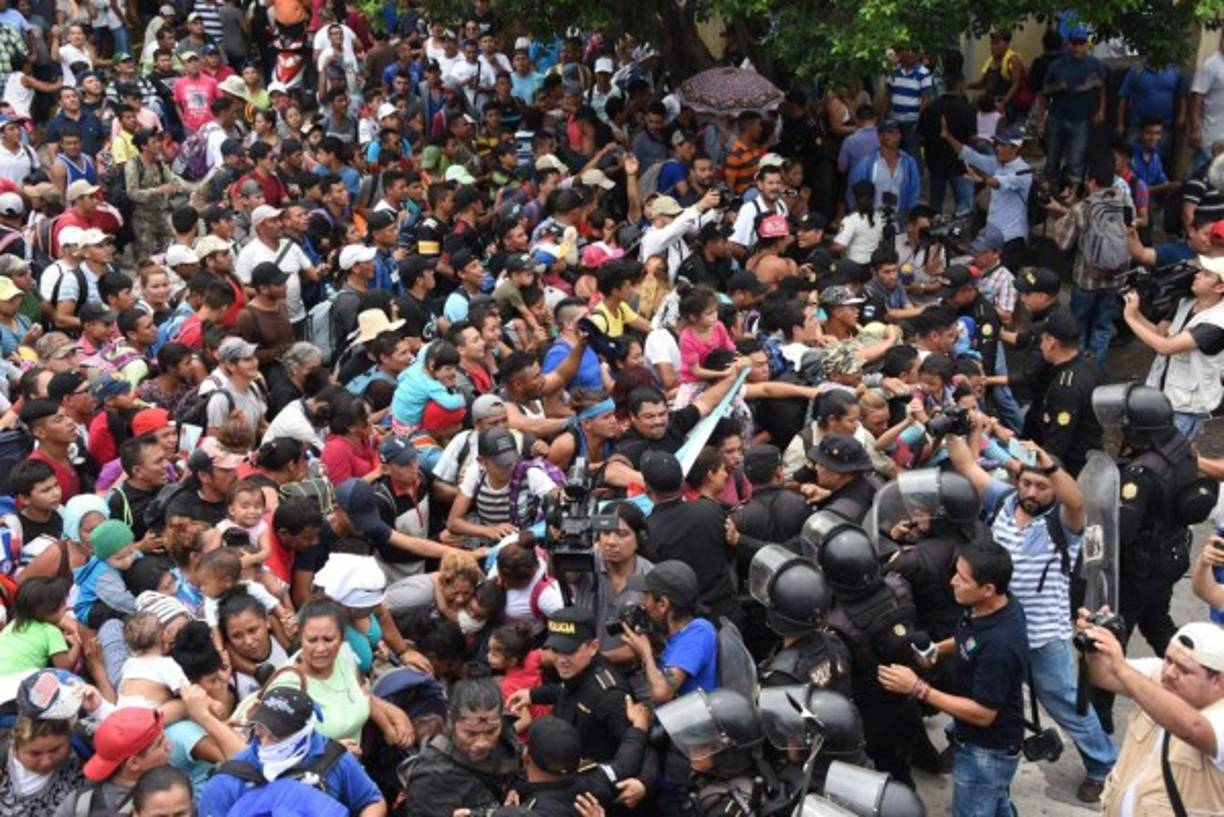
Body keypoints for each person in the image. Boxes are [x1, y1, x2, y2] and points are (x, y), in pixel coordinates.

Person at [946, 429, 1117, 802]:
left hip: (1042, 637)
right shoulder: (1004, 501)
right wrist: (949, 430)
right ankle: (964, 745)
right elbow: (965, 464)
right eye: (1027, 483)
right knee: (986, 697)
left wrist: (1051, 466)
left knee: (1067, 705)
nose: (1033, 493)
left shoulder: (1062, 522)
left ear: (1055, 487)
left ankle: (1104, 766)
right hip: (998, 629)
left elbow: (1077, 503)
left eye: (1043, 486)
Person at [878, 543, 1028, 817]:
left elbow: (984, 714)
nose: (952, 581)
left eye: (963, 578)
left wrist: (918, 688)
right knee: (994, 802)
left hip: (987, 752)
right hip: (974, 740)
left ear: (988, 589)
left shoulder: (1000, 645)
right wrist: (938, 649)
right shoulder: (986, 607)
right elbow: (968, 638)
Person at [1076, 616, 1224, 816]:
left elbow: (1193, 729)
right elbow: (1101, 676)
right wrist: (1097, 643)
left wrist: (1121, 668)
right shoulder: (1158, 673)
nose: (1170, 673)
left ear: (1217, 681)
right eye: (1169, 660)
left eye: (1184, 670)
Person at [507, 607, 655, 805]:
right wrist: (533, 695)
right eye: (556, 650)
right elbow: (565, 691)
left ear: (593, 647)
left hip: (600, 794)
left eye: (570, 651)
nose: (561, 660)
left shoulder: (609, 695)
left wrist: (644, 782)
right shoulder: (576, 673)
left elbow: (643, 741)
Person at [197, 686, 386, 816]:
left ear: (305, 732)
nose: (266, 743)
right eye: (261, 732)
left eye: (277, 736)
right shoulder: (227, 781)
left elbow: (372, 800)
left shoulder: (333, 759)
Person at [1122, 257, 1224, 441]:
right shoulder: (1186, 302)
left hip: (1185, 406)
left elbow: (1165, 347)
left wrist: (1129, 319)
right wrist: (1135, 312)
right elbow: (1159, 334)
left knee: (1168, 460)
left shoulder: (1217, 322)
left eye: (1206, 274)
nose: (1198, 275)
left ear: (1219, 288)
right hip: (1161, 392)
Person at [399, 675, 521, 817]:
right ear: (451, 721)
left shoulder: (506, 738)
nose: (482, 743)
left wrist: (516, 788)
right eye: (470, 733)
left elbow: (521, 771)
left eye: (490, 732)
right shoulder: (431, 778)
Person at [621, 559, 719, 703]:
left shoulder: (698, 633)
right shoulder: (671, 634)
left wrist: (646, 654)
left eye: (646, 597)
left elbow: (662, 692)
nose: (643, 604)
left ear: (662, 604)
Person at [56, 707, 171, 817]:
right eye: (160, 744)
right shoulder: (169, 799)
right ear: (134, 763)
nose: (169, 746)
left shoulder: (77, 800)